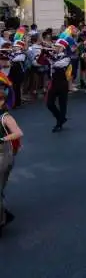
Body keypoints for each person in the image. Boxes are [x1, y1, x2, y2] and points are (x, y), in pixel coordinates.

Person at [0, 86, 23, 237]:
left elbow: (18, 133)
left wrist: (2, 138)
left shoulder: (5, 117)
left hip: (3, 154)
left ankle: (1, 221)